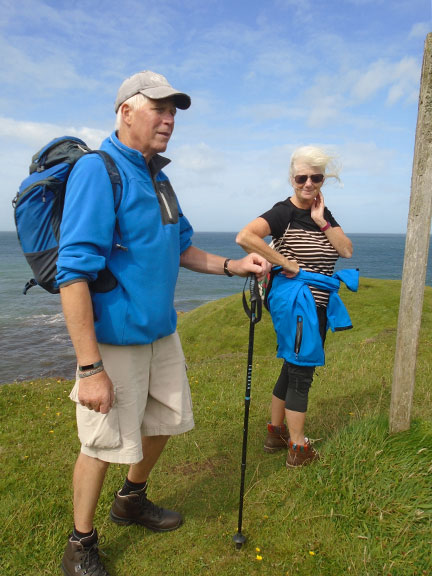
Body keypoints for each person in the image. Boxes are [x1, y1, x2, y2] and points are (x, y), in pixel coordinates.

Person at [57, 70, 269, 576]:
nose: (169, 120)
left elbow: (181, 247)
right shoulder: (98, 170)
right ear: (126, 110)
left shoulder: (159, 177)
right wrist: (90, 368)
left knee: (168, 421)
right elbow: (73, 274)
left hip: (160, 331)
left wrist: (233, 266)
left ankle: (132, 500)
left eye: (173, 111)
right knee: (102, 443)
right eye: (159, 108)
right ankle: (79, 544)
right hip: (115, 340)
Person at [236, 145, 353, 468]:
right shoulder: (283, 212)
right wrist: (287, 262)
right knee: (302, 373)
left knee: (292, 366)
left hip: (314, 305)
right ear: (292, 178)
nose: (308, 184)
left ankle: (276, 433)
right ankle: (299, 449)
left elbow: (346, 250)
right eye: (302, 177)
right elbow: (246, 237)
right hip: (298, 305)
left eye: (316, 177)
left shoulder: (323, 214)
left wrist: (321, 221)